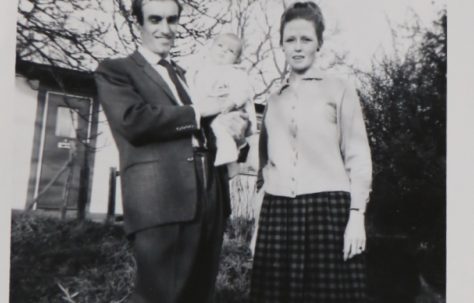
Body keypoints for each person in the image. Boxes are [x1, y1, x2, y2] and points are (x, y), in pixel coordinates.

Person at [94, 1, 250, 302]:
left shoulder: (187, 75)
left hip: (211, 195)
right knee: (161, 296)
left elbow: (211, 123)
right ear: (139, 22)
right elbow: (133, 122)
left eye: (172, 20)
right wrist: (200, 111)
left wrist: (237, 128)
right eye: (155, 19)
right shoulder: (117, 71)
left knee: (200, 295)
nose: (165, 29)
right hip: (162, 199)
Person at [250, 2, 373, 303]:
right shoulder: (273, 100)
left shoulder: (339, 89)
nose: (297, 47)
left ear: (319, 42)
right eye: (290, 39)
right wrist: (257, 229)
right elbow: (266, 169)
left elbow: (357, 155)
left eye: (306, 39)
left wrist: (356, 215)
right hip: (278, 213)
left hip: (327, 211)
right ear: (281, 43)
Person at [188, 33, 257, 177]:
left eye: (231, 51)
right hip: (204, 113)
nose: (224, 51)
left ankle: (230, 161)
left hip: (229, 110)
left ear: (236, 59)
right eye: (220, 46)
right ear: (211, 47)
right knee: (215, 131)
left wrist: (232, 102)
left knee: (222, 130)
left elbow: (243, 90)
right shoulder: (200, 68)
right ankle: (230, 159)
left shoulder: (234, 72)